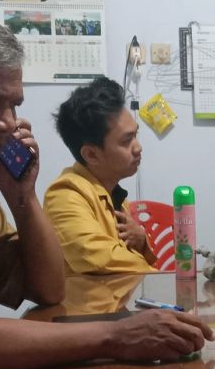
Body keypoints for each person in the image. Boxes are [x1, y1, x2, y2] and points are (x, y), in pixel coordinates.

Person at [0, 7, 213, 369]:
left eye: (13, 105)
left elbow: (47, 288)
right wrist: (115, 336)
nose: (7, 123)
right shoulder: (68, 193)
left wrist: (24, 196)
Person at [44, 77, 157, 274]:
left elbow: (125, 259)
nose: (138, 148)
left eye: (135, 135)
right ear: (91, 154)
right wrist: (158, 277)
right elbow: (101, 260)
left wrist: (141, 239)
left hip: (119, 304)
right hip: (86, 306)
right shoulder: (65, 195)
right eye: (126, 141)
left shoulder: (114, 195)